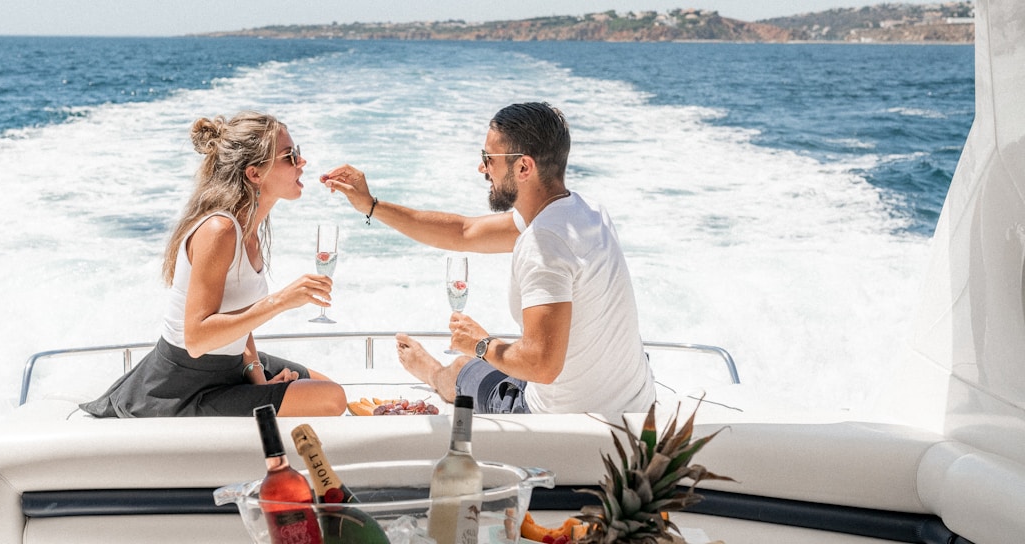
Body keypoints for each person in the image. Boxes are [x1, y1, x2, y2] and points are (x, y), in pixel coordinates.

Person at [320, 102, 654, 416]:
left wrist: (480, 344)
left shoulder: (543, 243)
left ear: (524, 166)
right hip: (637, 408)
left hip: (559, 418)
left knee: (465, 366)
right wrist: (371, 206)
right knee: (501, 355)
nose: (482, 167)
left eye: (488, 157)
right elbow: (463, 232)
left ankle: (434, 374)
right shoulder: (585, 212)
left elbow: (541, 366)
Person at [81, 111, 347, 418]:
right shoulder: (219, 230)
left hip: (231, 367)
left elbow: (239, 314)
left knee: (326, 386)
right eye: (290, 156)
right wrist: (281, 301)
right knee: (332, 399)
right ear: (254, 173)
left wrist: (258, 380)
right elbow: (196, 339)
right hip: (184, 388)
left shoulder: (250, 232)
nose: (302, 162)